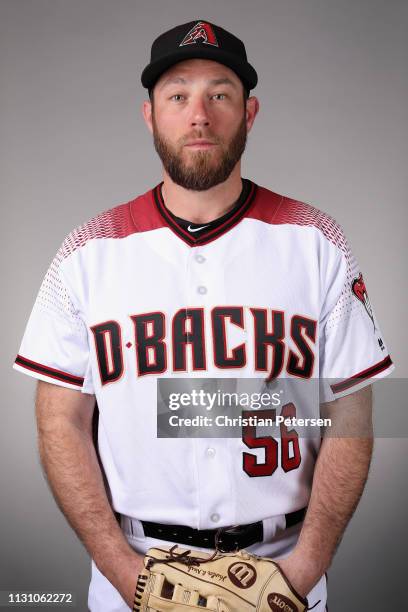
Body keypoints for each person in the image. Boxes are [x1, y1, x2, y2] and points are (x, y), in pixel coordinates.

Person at [13, 19, 394, 612]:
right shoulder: (86, 251)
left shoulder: (317, 241)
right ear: (150, 115)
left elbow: (355, 408)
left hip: (282, 566)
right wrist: (120, 571)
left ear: (250, 112)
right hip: (134, 570)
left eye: (220, 94)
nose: (199, 115)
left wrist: (308, 565)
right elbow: (58, 421)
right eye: (177, 96)